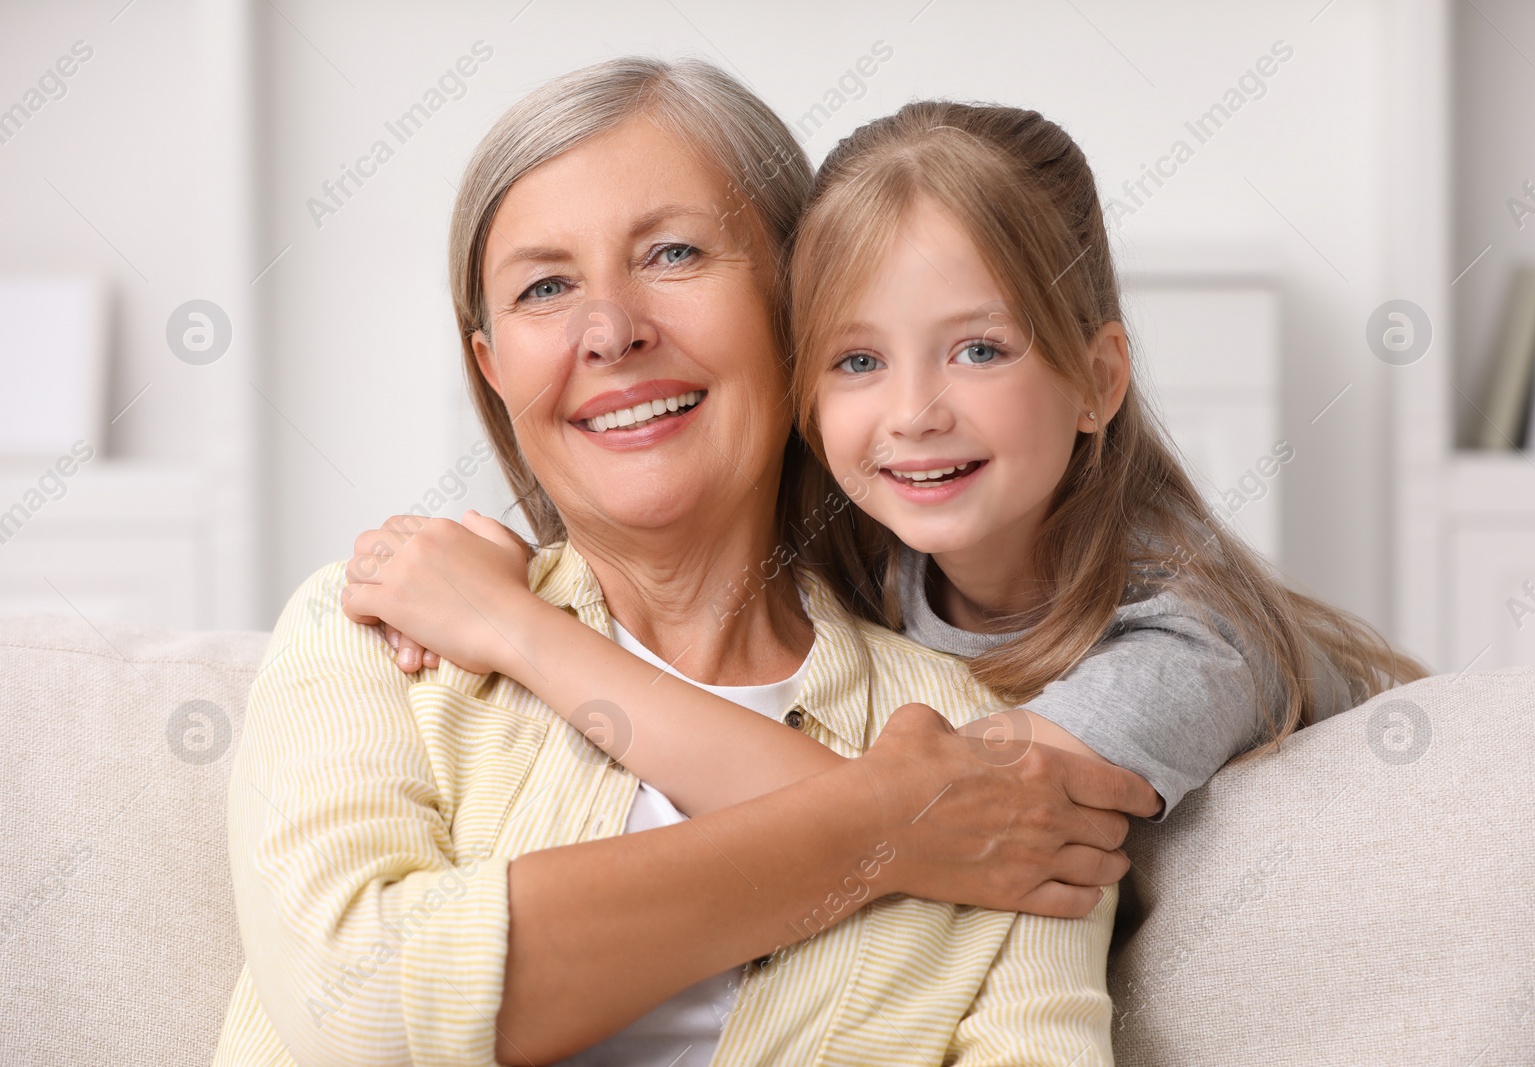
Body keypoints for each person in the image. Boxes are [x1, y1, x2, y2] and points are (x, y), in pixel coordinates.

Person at [352, 99, 1430, 1060]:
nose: (914, 411)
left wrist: (522, 633)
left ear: (1096, 379)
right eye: (858, 361)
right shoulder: (872, 552)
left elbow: (959, 820)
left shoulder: (1185, 638)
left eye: (979, 350)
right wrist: (503, 553)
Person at [214, 60, 1158, 1067]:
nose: (612, 331)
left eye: (672, 253)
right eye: (545, 286)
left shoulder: (988, 758)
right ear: (493, 369)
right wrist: (883, 820)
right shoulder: (376, 631)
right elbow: (362, 1009)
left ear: (798, 303)